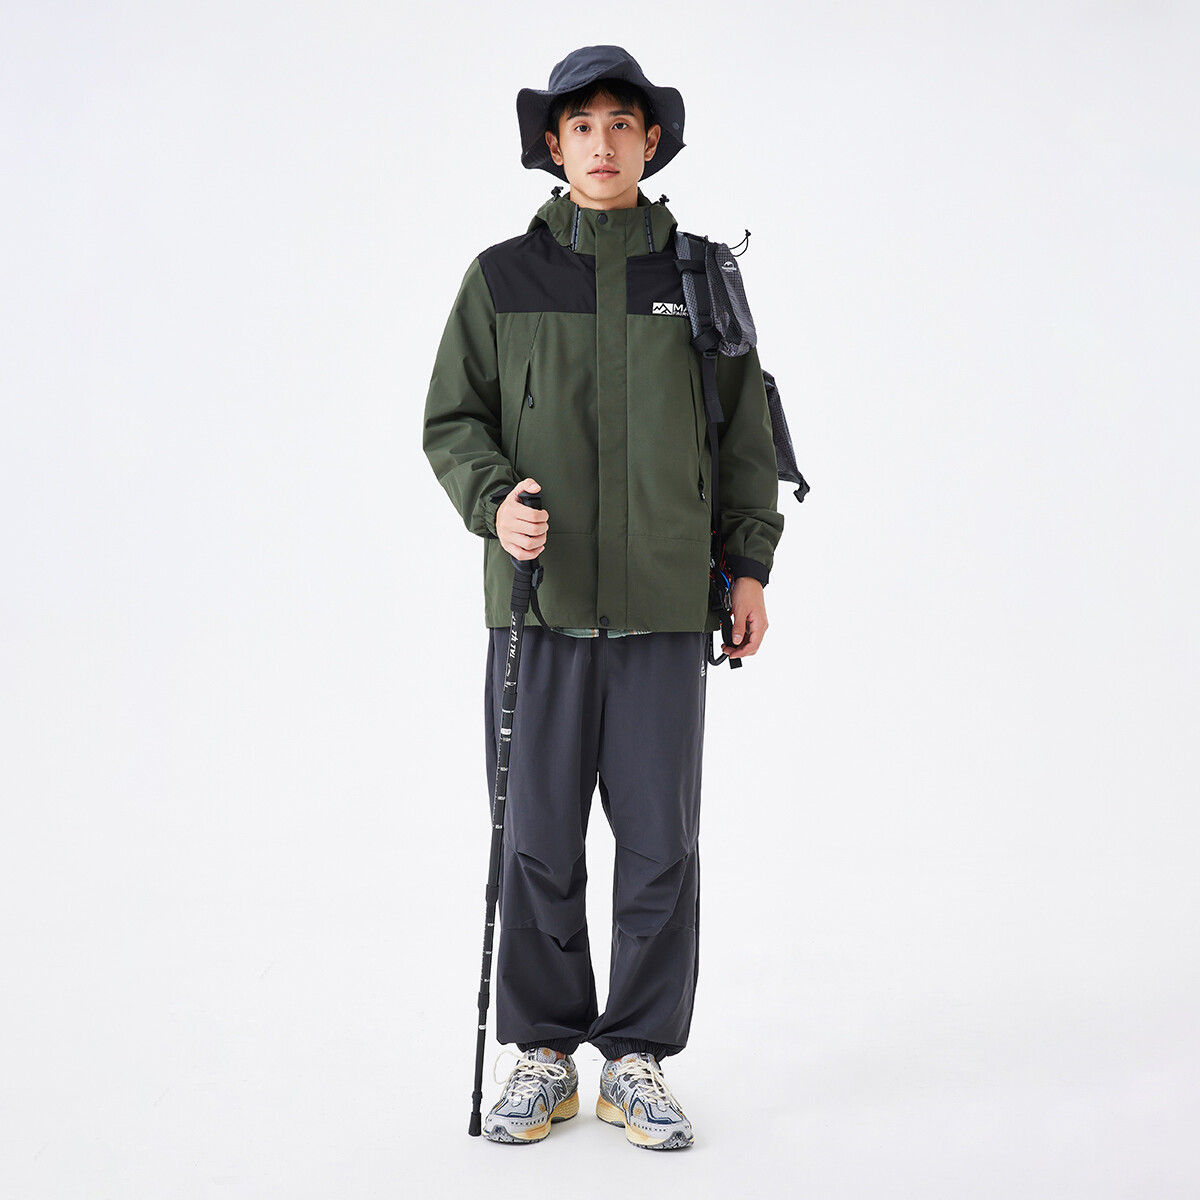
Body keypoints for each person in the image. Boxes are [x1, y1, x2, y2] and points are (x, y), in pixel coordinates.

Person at [422, 45, 784, 1150]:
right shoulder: (501, 279)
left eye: (622, 124)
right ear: (553, 145)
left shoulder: (702, 277)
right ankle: (544, 1053)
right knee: (535, 837)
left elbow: (746, 435)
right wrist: (495, 504)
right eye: (582, 127)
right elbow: (452, 421)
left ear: (652, 141)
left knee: (661, 844)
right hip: (539, 607)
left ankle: (635, 1060)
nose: (603, 143)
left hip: (669, 607)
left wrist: (750, 564)